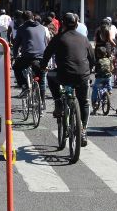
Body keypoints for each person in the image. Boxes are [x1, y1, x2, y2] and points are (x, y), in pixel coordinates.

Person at [41, 13, 95, 146]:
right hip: (83, 75)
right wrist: (90, 70)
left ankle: (58, 101)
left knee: (50, 76)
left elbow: (47, 54)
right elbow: (92, 59)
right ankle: (83, 130)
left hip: (63, 75)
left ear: (63, 24)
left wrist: (42, 67)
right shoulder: (84, 39)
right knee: (84, 103)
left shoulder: (58, 38)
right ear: (77, 24)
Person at [12, 11, 48, 102]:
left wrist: (15, 56)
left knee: (16, 67)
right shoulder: (42, 28)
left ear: (23, 19)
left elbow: (16, 45)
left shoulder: (21, 28)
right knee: (41, 79)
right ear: (33, 17)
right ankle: (42, 102)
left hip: (27, 57)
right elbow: (45, 43)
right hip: (41, 57)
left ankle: (24, 86)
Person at [91, 46, 113, 114]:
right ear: (106, 53)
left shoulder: (98, 61)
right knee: (109, 80)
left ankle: (94, 102)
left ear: (97, 54)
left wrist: (93, 71)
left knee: (95, 88)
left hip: (100, 78)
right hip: (108, 77)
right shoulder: (109, 59)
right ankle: (109, 90)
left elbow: (96, 70)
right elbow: (112, 68)